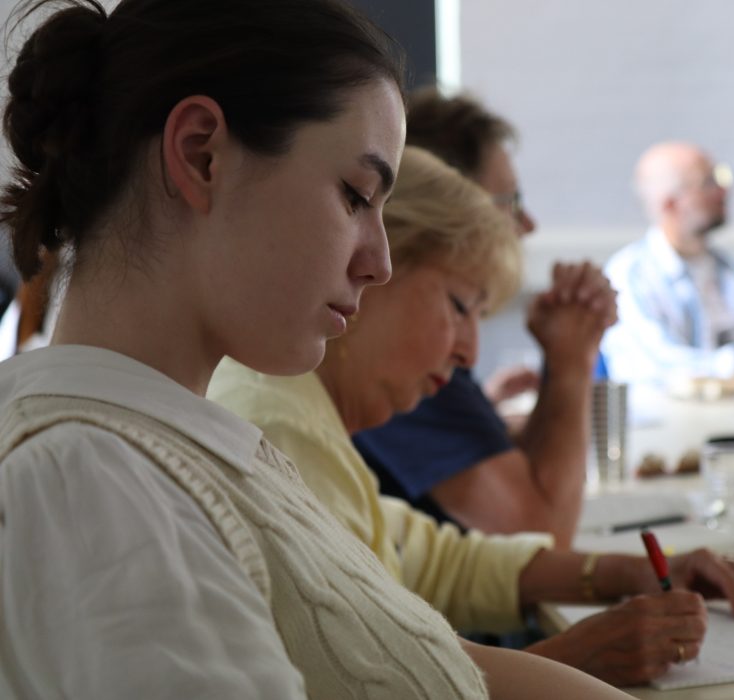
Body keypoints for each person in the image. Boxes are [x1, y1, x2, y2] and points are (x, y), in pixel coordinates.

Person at [0, 1, 634, 697]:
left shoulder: (190, 445)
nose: (380, 262)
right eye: (356, 196)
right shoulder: (101, 484)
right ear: (200, 154)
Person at [209, 146, 734, 687]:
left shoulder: (299, 404)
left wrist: (631, 573)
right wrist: (574, 657)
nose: (469, 352)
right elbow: (370, 679)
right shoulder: (282, 425)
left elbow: (437, 560)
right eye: (460, 306)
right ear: (374, 268)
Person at [353, 88, 617, 548]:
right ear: (451, 206)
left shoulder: (414, 340)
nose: (528, 224)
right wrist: (574, 360)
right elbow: (541, 536)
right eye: (510, 203)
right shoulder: (397, 353)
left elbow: (519, 479)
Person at [601, 141, 734, 391]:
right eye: (708, 183)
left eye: (721, 177)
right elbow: (662, 367)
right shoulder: (629, 276)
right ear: (670, 204)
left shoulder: (728, 269)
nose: (723, 191)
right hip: (664, 424)